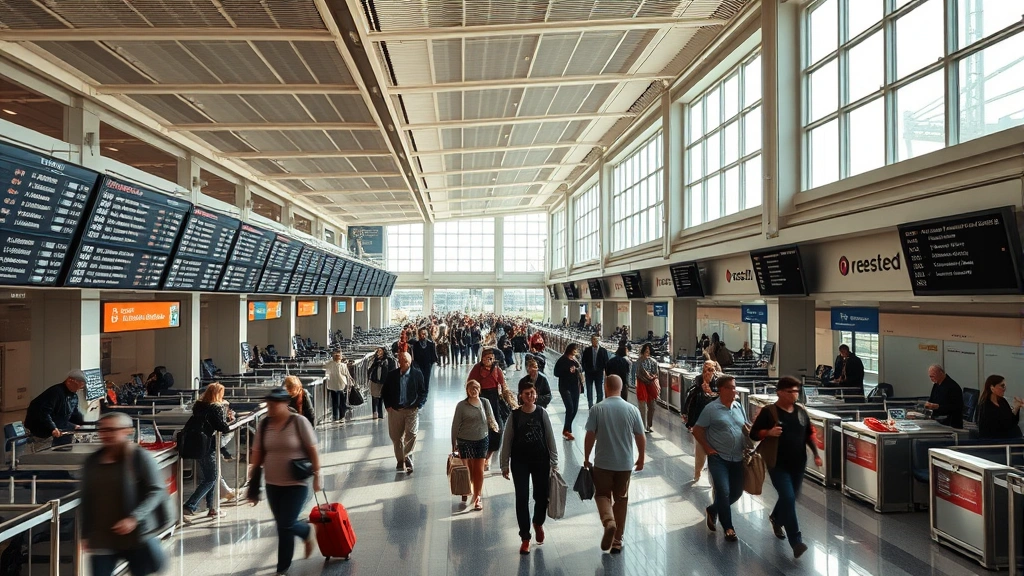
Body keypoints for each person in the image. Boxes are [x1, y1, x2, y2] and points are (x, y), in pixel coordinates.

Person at [82, 413, 170, 576]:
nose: (106, 434)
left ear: (127, 431)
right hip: (102, 538)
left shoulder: (139, 457)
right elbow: (87, 498)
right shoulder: (92, 461)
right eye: (102, 430)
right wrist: (85, 533)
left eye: (112, 430)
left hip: (135, 537)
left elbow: (157, 490)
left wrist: (134, 518)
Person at [248, 388, 321, 576]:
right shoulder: (265, 425)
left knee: (286, 523)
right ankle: (298, 544)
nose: (270, 408)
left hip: (296, 483)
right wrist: (253, 486)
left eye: (274, 404)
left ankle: (285, 564)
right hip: (273, 484)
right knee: (283, 525)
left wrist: (318, 475)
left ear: (285, 404)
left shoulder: (299, 422)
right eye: (269, 404)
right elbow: (257, 455)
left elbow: (312, 449)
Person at [748, 377, 822, 559]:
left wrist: (816, 453)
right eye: (790, 391)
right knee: (788, 497)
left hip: (798, 464)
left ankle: (776, 518)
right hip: (777, 464)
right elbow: (753, 433)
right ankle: (796, 541)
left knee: (790, 498)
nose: (794, 395)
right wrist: (768, 432)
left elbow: (808, 434)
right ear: (780, 392)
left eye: (796, 391)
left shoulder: (800, 411)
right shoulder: (769, 412)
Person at [582, 375, 645, 554]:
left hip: (603, 463)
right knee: (621, 499)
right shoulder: (632, 409)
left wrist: (587, 457)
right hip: (624, 465)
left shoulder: (597, 409)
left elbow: (590, 435)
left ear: (605, 387)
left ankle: (609, 521)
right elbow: (640, 435)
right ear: (622, 387)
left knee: (602, 495)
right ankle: (617, 540)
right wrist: (641, 457)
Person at [501, 380, 559, 555]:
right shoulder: (515, 416)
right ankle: (525, 537)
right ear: (521, 395)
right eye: (527, 394)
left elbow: (550, 438)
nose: (531, 396)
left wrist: (554, 461)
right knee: (522, 498)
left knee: (541, 496)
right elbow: (507, 441)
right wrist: (504, 464)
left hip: (541, 460)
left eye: (533, 393)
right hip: (520, 462)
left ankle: (538, 522)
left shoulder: (542, 413)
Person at [693, 375, 748, 542]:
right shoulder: (711, 409)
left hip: (737, 457)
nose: (735, 390)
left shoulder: (738, 406)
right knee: (723, 491)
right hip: (719, 458)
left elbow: (745, 426)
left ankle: (713, 509)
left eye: (735, 387)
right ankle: (728, 527)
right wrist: (708, 448)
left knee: (737, 492)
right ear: (722, 390)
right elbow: (697, 430)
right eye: (731, 387)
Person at [183, 383, 233, 518]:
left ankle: (213, 508)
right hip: (207, 445)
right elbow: (223, 427)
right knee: (211, 478)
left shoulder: (198, 407)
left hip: (196, 444)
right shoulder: (215, 408)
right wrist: (228, 417)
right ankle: (190, 505)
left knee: (211, 476)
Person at [452, 380, 499, 511]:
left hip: (481, 439)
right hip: (464, 440)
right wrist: (453, 443)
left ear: (480, 389)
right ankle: (466, 488)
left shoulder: (485, 403)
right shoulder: (461, 406)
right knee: (467, 469)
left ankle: (477, 496)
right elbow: (455, 425)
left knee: (478, 470)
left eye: (476, 388)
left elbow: (491, 418)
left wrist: (496, 429)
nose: (474, 390)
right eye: (471, 388)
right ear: (467, 390)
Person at [382, 352, 427, 473]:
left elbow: (423, 392)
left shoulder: (417, 374)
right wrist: (388, 405)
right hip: (396, 410)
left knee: (412, 434)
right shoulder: (392, 375)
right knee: (396, 437)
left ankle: (407, 456)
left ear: (409, 362)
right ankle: (400, 460)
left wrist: (419, 404)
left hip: (411, 409)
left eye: (404, 361)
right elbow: (385, 391)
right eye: (400, 360)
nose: (402, 363)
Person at [24, 369, 87, 450]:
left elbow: (74, 413)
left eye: (81, 388)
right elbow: (44, 412)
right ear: (70, 381)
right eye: (78, 386)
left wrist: (80, 423)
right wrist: (52, 428)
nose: (78, 390)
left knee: (64, 447)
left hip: (60, 428)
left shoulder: (73, 396)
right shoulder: (55, 392)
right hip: (42, 430)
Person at [467, 348, 509, 465]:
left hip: (494, 399)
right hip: (481, 398)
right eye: (486, 357)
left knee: (494, 422)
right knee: (481, 422)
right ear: (482, 358)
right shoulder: (477, 368)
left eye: (491, 357)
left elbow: (503, 384)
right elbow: (470, 382)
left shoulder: (497, 369)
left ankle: (491, 450)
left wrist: (508, 397)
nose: (488, 360)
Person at [683, 361, 720, 482]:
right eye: (705, 370)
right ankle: (697, 472)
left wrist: (711, 393)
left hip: (715, 423)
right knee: (700, 451)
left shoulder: (719, 383)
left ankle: (713, 478)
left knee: (714, 452)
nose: (707, 373)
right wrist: (688, 418)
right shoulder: (698, 382)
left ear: (714, 370)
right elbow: (691, 399)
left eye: (710, 370)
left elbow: (722, 399)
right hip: (700, 422)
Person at [977, 374, 1024, 439]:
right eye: (1002, 386)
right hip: (995, 442)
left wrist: (1017, 407)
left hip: (1007, 439)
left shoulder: (1002, 401)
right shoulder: (986, 406)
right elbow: (1002, 426)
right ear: (992, 388)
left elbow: (1012, 421)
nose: (1004, 389)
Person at [553, 343, 584, 441]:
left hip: (575, 387)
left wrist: (576, 369)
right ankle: (567, 430)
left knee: (574, 408)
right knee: (570, 407)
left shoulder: (575, 359)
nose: (576, 351)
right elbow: (556, 372)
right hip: (565, 387)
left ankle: (567, 428)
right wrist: (567, 370)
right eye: (575, 349)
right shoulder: (562, 360)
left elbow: (580, 368)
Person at [925, 364, 964, 429]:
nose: (931, 379)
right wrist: (928, 404)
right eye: (930, 377)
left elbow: (956, 407)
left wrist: (938, 407)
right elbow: (931, 399)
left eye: (933, 376)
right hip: (937, 418)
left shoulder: (953, 387)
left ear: (941, 373)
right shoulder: (936, 384)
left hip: (950, 423)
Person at [635, 344, 660, 433]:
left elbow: (656, 373)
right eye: (646, 349)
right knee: (642, 407)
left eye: (649, 349)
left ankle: (649, 425)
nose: (647, 351)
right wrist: (649, 378)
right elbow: (639, 374)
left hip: (651, 385)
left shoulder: (653, 361)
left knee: (652, 406)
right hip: (642, 385)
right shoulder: (639, 362)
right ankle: (643, 425)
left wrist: (651, 378)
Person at [323, 351, 352, 424]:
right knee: (341, 402)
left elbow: (324, 366)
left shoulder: (330, 364)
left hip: (333, 385)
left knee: (335, 402)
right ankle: (341, 416)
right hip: (341, 385)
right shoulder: (343, 365)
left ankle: (335, 416)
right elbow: (347, 374)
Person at [581, 335, 610, 409]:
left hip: (598, 373)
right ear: (591, 341)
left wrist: (606, 372)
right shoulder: (587, 350)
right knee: (589, 389)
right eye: (594, 339)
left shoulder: (603, 351)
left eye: (597, 339)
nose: (596, 341)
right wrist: (585, 369)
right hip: (589, 373)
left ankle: (599, 404)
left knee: (599, 389)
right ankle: (590, 404)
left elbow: (606, 362)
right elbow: (583, 361)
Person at [368, 347, 396, 420]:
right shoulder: (374, 359)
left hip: (384, 381)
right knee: (374, 396)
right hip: (375, 380)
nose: (379, 352)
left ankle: (380, 413)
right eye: (378, 351)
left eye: (380, 350)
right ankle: (375, 412)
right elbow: (370, 369)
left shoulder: (389, 360)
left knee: (382, 397)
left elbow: (392, 370)